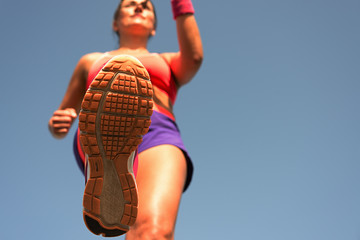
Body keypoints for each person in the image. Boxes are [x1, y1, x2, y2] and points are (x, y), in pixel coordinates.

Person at [48, 0, 203, 239]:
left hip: (157, 130)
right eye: (130, 4)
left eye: (146, 6)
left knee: (153, 231)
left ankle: (113, 183)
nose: (139, 7)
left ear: (153, 27)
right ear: (115, 23)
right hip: (98, 132)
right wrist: (59, 123)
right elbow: (62, 117)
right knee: (142, 228)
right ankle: (107, 166)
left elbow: (193, 57)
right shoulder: (90, 61)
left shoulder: (167, 60)